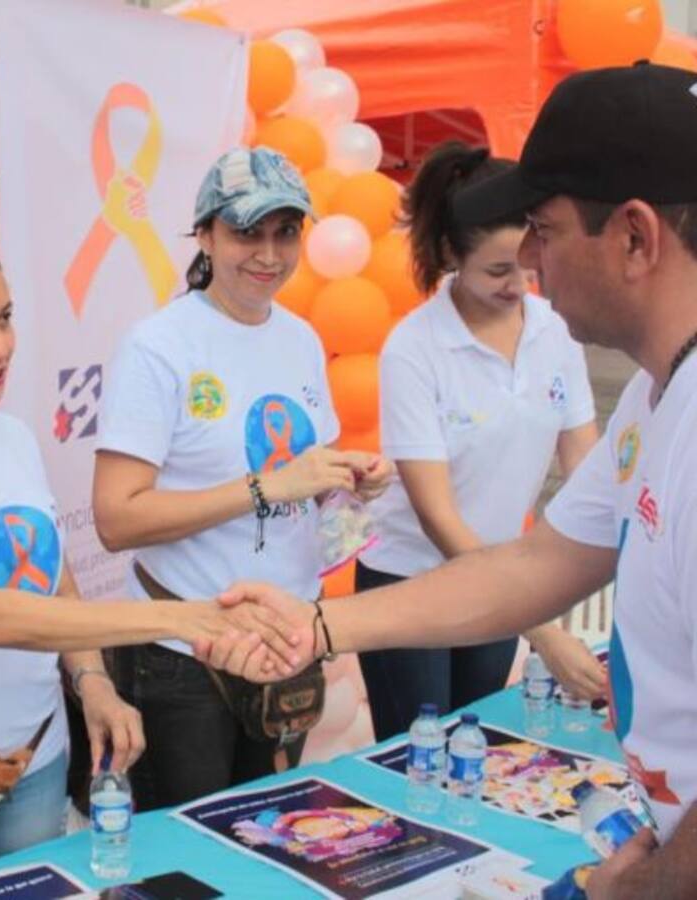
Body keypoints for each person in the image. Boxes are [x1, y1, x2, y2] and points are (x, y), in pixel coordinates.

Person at [206, 62, 697, 899]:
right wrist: (317, 626)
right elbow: (535, 565)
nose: (529, 264)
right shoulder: (656, 400)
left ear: (635, 237)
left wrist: (646, 888)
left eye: (543, 230)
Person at [0, 233, 303, 896]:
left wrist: (93, 681)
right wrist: (182, 617)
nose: (0, 345)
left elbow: (49, 574)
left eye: (5, 318)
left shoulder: (8, 434)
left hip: (33, 765)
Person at [90, 146, 393, 811]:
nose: (269, 254)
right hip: (183, 649)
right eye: (246, 232)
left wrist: (346, 479)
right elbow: (116, 519)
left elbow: (302, 477)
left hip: (287, 643)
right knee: (184, 870)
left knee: (264, 841)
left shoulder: (302, 338)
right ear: (204, 235)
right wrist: (266, 487)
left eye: (286, 232)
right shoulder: (160, 345)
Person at [355, 141, 604, 741]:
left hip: (500, 574)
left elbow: (589, 470)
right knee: (420, 760)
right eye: (497, 271)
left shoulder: (555, 331)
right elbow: (437, 516)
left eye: (528, 263)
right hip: (412, 581)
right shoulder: (415, 349)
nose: (519, 284)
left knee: (478, 748)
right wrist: (541, 627)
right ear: (449, 255)